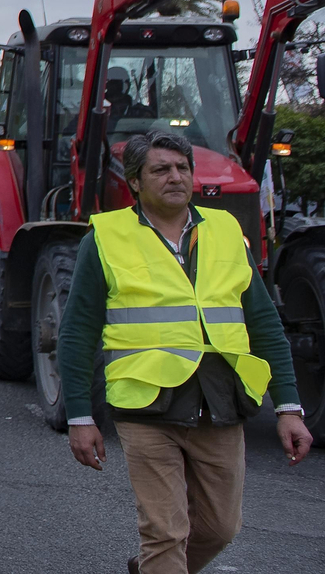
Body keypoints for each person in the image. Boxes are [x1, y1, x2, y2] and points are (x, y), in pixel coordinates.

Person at [57, 130, 311, 574]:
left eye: (182, 168)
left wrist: (289, 407)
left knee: (220, 528)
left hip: (220, 401)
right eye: (161, 169)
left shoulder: (226, 231)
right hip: (145, 405)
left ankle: (153, 567)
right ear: (135, 182)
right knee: (165, 533)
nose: (175, 177)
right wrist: (80, 416)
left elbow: (264, 323)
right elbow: (78, 331)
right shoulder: (105, 239)